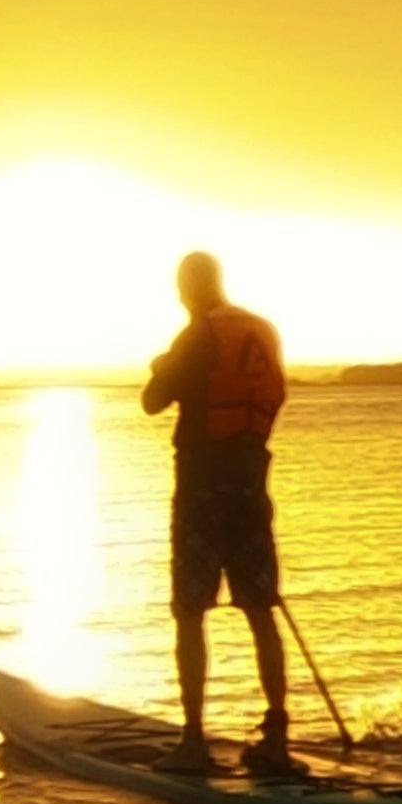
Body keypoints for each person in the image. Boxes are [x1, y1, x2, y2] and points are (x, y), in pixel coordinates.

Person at [141, 251, 298, 777]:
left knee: (190, 610)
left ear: (186, 288)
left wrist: (163, 367)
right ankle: (276, 736)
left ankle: (192, 742)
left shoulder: (196, 336)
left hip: (203, 491)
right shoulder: (261, 330)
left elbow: (152, 401)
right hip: (251, 487)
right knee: (260, 609)